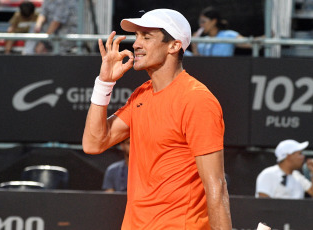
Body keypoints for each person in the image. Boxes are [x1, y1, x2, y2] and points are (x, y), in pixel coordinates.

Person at [82, 8, 232, 230]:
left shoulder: (197, 100)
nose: (136, 44)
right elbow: (93, 143)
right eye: (137, 36)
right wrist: (104, 82)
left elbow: (216, 187)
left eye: (147, 37)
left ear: (174, 45)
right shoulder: (141, 95)